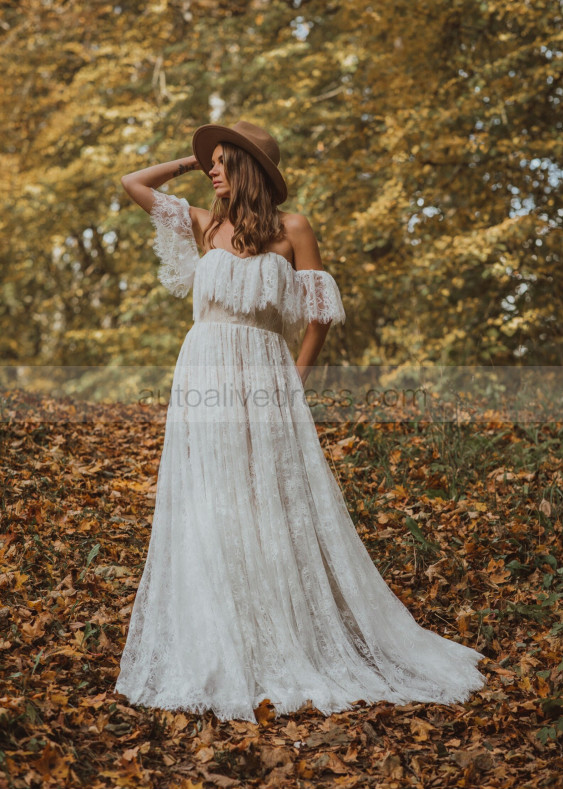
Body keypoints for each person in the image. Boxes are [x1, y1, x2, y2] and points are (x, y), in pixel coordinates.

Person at [115, 120, 487, 724]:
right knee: (212, 498)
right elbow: (132, 181)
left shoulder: (293, 230)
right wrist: (190, 163)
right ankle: (219, 633)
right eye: (206, 162)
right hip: (204, 366)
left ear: (252, 168)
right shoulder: (204, 223)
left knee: (268, 500)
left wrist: (296, 382)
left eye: (221, 159)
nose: (211, 168)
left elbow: (318, 317)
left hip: (267, 372)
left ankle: (284, 626)